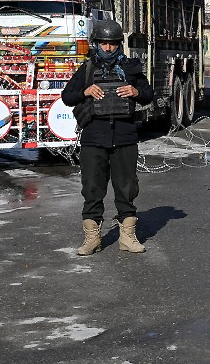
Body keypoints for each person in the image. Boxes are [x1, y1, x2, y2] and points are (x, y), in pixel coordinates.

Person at [62, 19, 155, 255]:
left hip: (124, 138)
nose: (108, 48)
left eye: (112, 43)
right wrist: (85, 91)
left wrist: (135, 91)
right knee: (92, 189)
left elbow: (148, 95)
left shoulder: (131, 68)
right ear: (97, 44)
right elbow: (67, 96)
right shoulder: (87, 68)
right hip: (94, 139)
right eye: (103, 43)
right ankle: (92, 239)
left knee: (126, 188)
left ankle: (128, 238)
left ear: (118, 44)